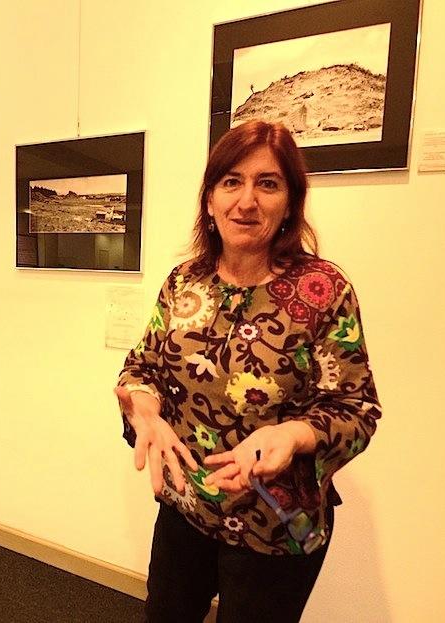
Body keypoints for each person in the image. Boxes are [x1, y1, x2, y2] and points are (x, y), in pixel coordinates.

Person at [115, 120, 382, 622]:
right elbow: (140, 367)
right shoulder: (184, 282)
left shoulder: (323, 290)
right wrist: (142, 406)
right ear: (211, 198)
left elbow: (356, 408)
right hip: (186, 506)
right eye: (231, 181)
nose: (246, 201)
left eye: (268, 183)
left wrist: (295, 434)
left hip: (275, 525)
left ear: (289, 202)